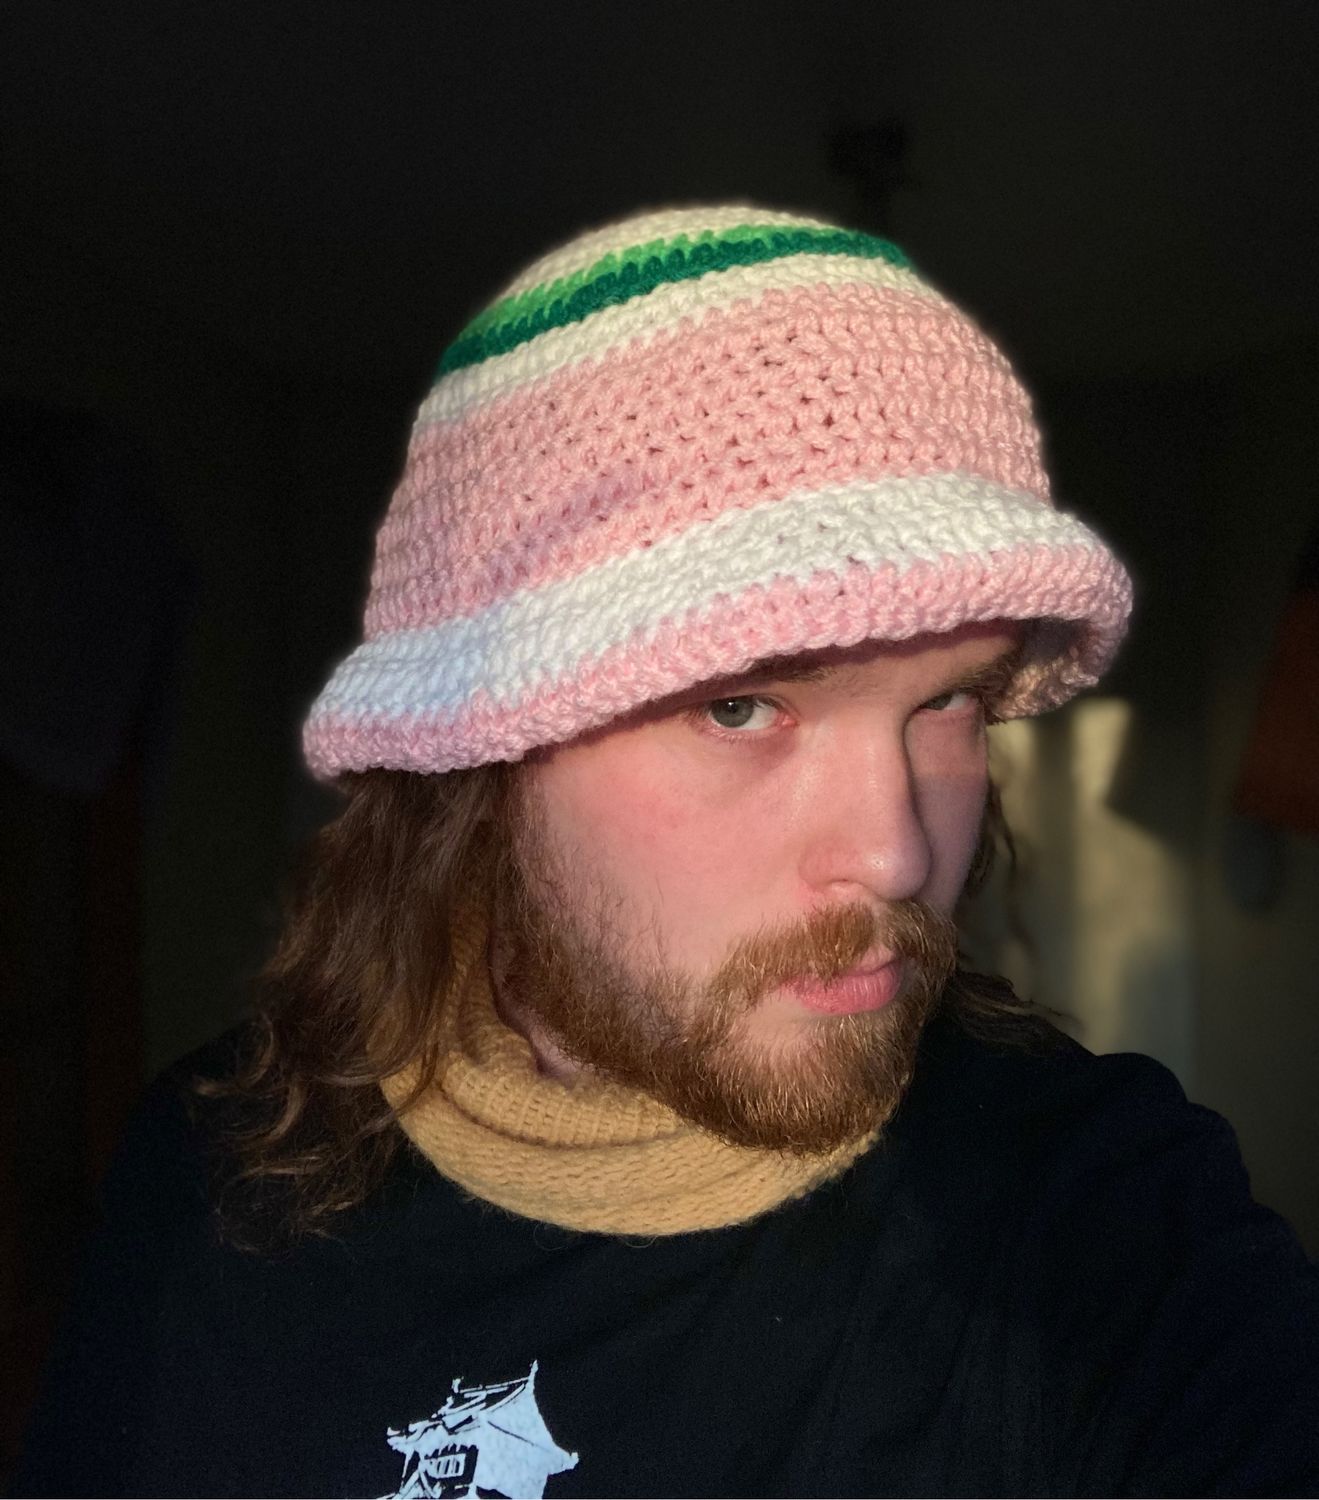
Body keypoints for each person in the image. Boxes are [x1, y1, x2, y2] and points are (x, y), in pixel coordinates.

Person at [15, 205, 1319, 1499]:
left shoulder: (1108, 1230)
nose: (895, 854)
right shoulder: (212, 1173)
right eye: (740, 706)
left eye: (950, 704)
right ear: (480, 756)